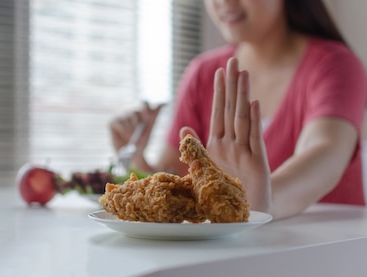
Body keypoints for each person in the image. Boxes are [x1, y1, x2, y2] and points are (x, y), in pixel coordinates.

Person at [109, 0, 367, 220]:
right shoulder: (202, 73)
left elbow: (325, 153)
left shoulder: (336, 64)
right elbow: (173, 177)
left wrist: (259, 201)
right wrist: (136, 157)